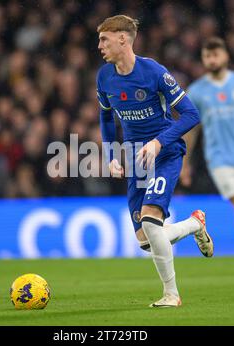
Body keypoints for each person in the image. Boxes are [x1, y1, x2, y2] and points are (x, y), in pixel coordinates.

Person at [96, 15, 214, 308]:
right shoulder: (104, 76)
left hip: (166, 152)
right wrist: (112, 156)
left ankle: (172, 295)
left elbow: (191, 115)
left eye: (104, 39)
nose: (100, 46)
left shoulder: (155, 73)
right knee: (147, 240)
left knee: (150, 218)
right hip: (136, 160)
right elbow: (106, 117)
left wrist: (159, 141)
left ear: (123, 39)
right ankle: (195, 224)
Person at [182, 37, 234, 255]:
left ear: (225, 56)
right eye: (207, 56)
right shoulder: (197, 91)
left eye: (215, 55)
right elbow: (192, 130)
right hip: (219, 159)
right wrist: (185, 164)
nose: (212, 60)